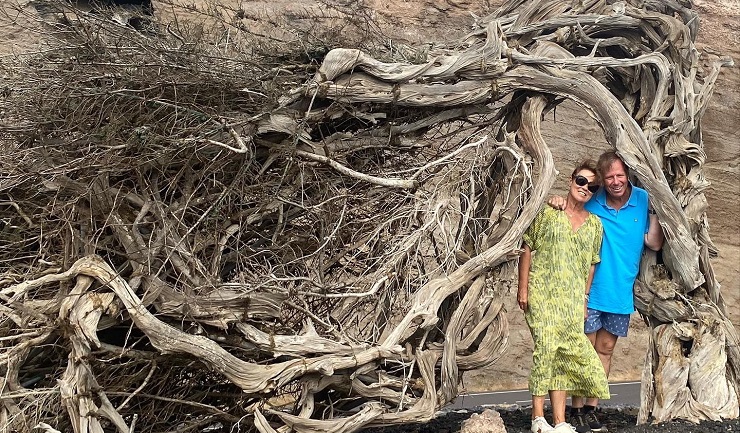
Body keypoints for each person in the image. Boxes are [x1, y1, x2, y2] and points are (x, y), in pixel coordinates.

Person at [548, 151, 664, 433]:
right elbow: (572, 206)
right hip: (590, 291)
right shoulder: (595, 198)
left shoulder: (643, 200)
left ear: (628, 175)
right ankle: (575, 409)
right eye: (609, 176)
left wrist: (660, 212)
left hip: (619, 292)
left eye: (620, 175)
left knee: (605, 350)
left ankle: (592, 407)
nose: (615, 181)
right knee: (583, 351)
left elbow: (654, 244)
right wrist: (557, 200)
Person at [518, 160, 610, 433]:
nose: (585, 188)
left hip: (571, 301)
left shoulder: (595, 225)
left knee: (564, 356)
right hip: (542, 294)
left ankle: (559, 421)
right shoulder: (549, 211)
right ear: (571, 180)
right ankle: (538, 418)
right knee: (546, 350)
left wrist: (583, 300)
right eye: (581, 181)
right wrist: (523, 289)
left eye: (592, 186)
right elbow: (526, 248)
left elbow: (592, 264)